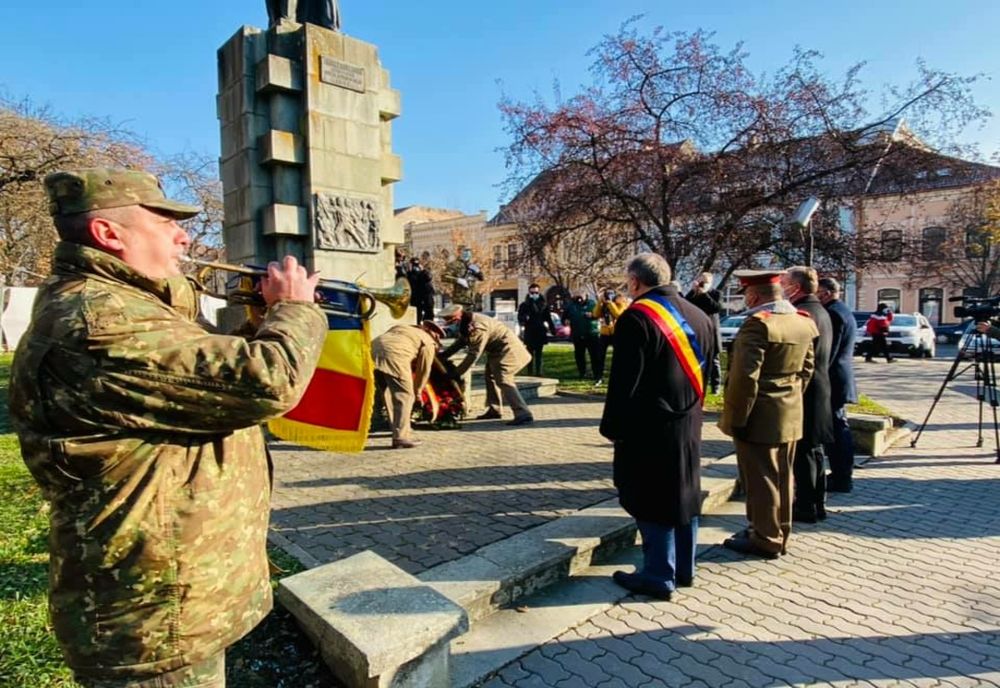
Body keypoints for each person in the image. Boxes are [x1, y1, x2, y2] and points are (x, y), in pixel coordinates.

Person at [9, 167, 328, 687]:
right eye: (164, 223)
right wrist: (293, 309)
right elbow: (268, 381)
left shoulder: (127, 304)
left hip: (171, 597)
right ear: (109, 235)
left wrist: (253, 315)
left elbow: (200, 375)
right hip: (153, 616)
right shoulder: (101, 319)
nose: (184, 236)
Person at [600, 254, 714, 600]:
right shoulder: (700, 314)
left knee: (651, 496)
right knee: (684, 491)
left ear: (635, 282)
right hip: (689, 420)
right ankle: (684, 567)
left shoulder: (637, 316)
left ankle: (657, 574)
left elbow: (623, 383)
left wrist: (613, 427)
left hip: (648, 426)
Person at [718, 269, 817, 559]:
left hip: (759, 413)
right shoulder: (801, 322)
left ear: (753, 295)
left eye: (745, 293)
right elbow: (807, 369)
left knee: (760, 479)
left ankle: (765, 538)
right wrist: (791, 397)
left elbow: (743, 379)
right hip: (790, 410)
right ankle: (780, 532)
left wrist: (735, 418)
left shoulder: (757, 325)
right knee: (784, 477)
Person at [781, 266, 835, 523]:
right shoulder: (821, 310)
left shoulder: (804, 314)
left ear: (796, 287)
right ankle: (816, 503)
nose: (782, 288)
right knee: (814, 452)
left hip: (806, 391)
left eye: (786, 284)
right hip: (819, 388)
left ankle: (805, 505)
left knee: (804, 453)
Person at [439, 304, 534, 425]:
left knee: (504, 379)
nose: (447, 323)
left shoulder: (477, 327)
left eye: (449, 320)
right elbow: (462, 341)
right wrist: (444, 355)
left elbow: (474, 354)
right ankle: (495, 409)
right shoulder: (467, 321)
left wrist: (457, 373)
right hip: (498, 352)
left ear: (457, 317)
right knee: (490, 376)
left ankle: (523, 413)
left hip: (510, 351)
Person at [371, 320, 446, 449]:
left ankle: (394, 426)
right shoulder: (428, 341)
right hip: (394, 356)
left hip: (372, 350)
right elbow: (423, 370)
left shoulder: (402, 327)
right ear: (435, 335)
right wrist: (417, 392)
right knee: (405, 396)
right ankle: (401, 438)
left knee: (385, 392)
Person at [818, 277, 858, 493]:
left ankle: (842, 476)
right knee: (838, 426)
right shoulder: (843, 309)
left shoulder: (833, 313)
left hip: (834, 379)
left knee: (836, 430)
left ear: (825, 293)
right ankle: (843, 474)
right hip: (840, 378)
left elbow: (829, 352)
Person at [684, 271, 724, 394]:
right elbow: (685, 304)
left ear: (710, 283)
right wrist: (693, 291)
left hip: (711, 330)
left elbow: (716, 308)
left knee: (714, 360)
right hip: (697, 331)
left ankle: (715, 385)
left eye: (705, 282)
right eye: (701, 282)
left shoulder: (716, 294)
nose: (702, 285)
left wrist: (704, 294)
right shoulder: (694, 294)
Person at [517, 283, 556, 375]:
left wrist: (552, 329)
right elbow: (520, 317)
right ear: (529, 292)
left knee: (539, 353)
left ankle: (538, 371)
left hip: (540, 330)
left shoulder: (543, 304)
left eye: (536, 292)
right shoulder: (524, 305)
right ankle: (529, 371)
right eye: (532, 292)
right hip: (530, 330)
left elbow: (548, 318)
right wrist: (524, 319)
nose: (534, 294)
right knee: (529, 353)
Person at [592, 287, 627, 383]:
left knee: (618, 356)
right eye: (607, 294)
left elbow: (618, 315)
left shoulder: (621, 303)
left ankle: (619, 376)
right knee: (600, 355)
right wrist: (600, 302)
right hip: (604, 333)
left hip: (616, 333)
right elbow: (595, 314)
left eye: (611, 294)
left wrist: (610, 303)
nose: (609, 296)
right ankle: (599, 376)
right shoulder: (603, 304)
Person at [564, 290, 600, 382]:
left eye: (581, 296)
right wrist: (565, 320)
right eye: (577, 296)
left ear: (585, 296)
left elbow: (599, 314)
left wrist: (592, 315)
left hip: (591, 333)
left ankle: (597, 374)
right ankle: (582, 372)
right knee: (579, 355)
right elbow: (564, 317)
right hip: (577, 333)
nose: (579, 298)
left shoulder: (592, 304)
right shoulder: (571, 305)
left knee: (594, 355)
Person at [407, 253, 435, 323]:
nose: (415, 268)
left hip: (426, 295)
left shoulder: (424, 272)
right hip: (416, 296)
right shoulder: (410, 274)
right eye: (414, 265)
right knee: (417, 313)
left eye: (417, 264)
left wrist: (422, 270)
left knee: (429, 311)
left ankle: (428, 324)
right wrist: (409, 271)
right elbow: (409, 281)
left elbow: (429, 277)